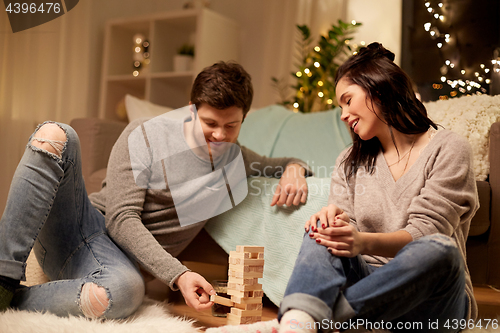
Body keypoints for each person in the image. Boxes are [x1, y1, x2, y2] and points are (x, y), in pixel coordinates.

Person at [0, 61, 311, 318]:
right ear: (192, 110)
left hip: (118, 267)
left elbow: (286, 162)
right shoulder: (145, 135)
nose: (220, 135)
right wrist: (179, 274)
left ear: (243, 119)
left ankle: (13, 301)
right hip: (83, 228)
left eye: (231, 126)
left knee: (121, 291)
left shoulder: (237, 160)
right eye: (210, 122)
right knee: (57, 134)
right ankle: (3, 277)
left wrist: (295, 171)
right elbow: (121, 219)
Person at [278, 43, 479, 333]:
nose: (344, 114)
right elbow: (344, 238)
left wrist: (362, 241)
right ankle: (296, 325)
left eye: (348, 100)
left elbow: (427, 230)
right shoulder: (349, 161)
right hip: (366, 285)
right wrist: (335, 222)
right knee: (321, 230)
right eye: (340, 107)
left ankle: (323, 321)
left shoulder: (449, 148)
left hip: (432, 303)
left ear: (377, 87)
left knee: (442, 250)